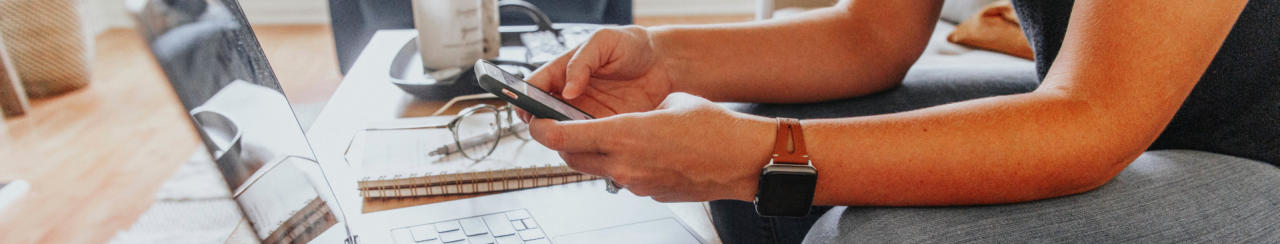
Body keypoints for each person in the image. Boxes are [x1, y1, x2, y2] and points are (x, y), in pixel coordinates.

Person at [520, 0, 1279, 243]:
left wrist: (759, 156)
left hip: (1252, 154)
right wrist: (666, 60)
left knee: (887, 238)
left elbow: (1093, 119)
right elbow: (869, 36)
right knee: (761, 192)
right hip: (1110, 107)